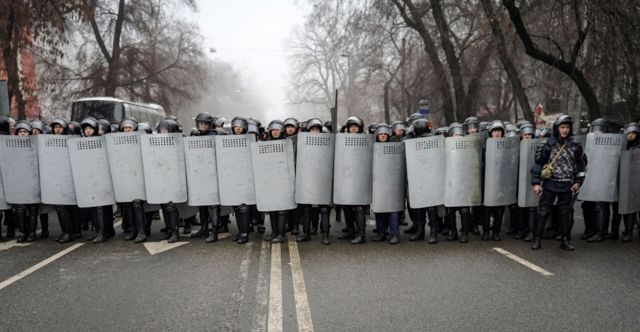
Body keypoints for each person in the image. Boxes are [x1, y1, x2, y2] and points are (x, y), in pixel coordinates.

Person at [531, 114, 585, 250]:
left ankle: (565, 240)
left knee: (565, 213)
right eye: (562, 127)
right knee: (543, 211)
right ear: (557, 128)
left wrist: (578, 181)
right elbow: (538, 164)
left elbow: (581, 165)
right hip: (550, 183)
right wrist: (536, 183)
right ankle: (537, 239)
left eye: (567, 127)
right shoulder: (547, 144)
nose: (565, 130)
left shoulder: (575, 146)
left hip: (567, 183)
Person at [372, 124, 402, 244]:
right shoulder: (373, 148)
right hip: (378, 182)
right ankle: (381, 233)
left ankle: (395, 234)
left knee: (392, 209)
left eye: (385, 134)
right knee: (379, 209)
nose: (383, 136)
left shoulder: (395, 147)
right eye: (381, 134)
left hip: (392, 182)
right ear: (377, 136)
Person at [444, 122, 472, 243]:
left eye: (460, 134)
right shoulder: (446, 148)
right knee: (450, 211)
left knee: (465, 210)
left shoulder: (468, 147)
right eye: (456, 134)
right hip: (450, 184)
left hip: (464, 184)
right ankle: (453, 231)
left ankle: (464, 232)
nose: (458, 136)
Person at [618, 122, 639, 242]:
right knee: (628, 208)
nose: (631, 136)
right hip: (627, 181)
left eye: (633, 133)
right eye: (629, 133)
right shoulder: (623, 147)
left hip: (637, 180)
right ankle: (628, 231)